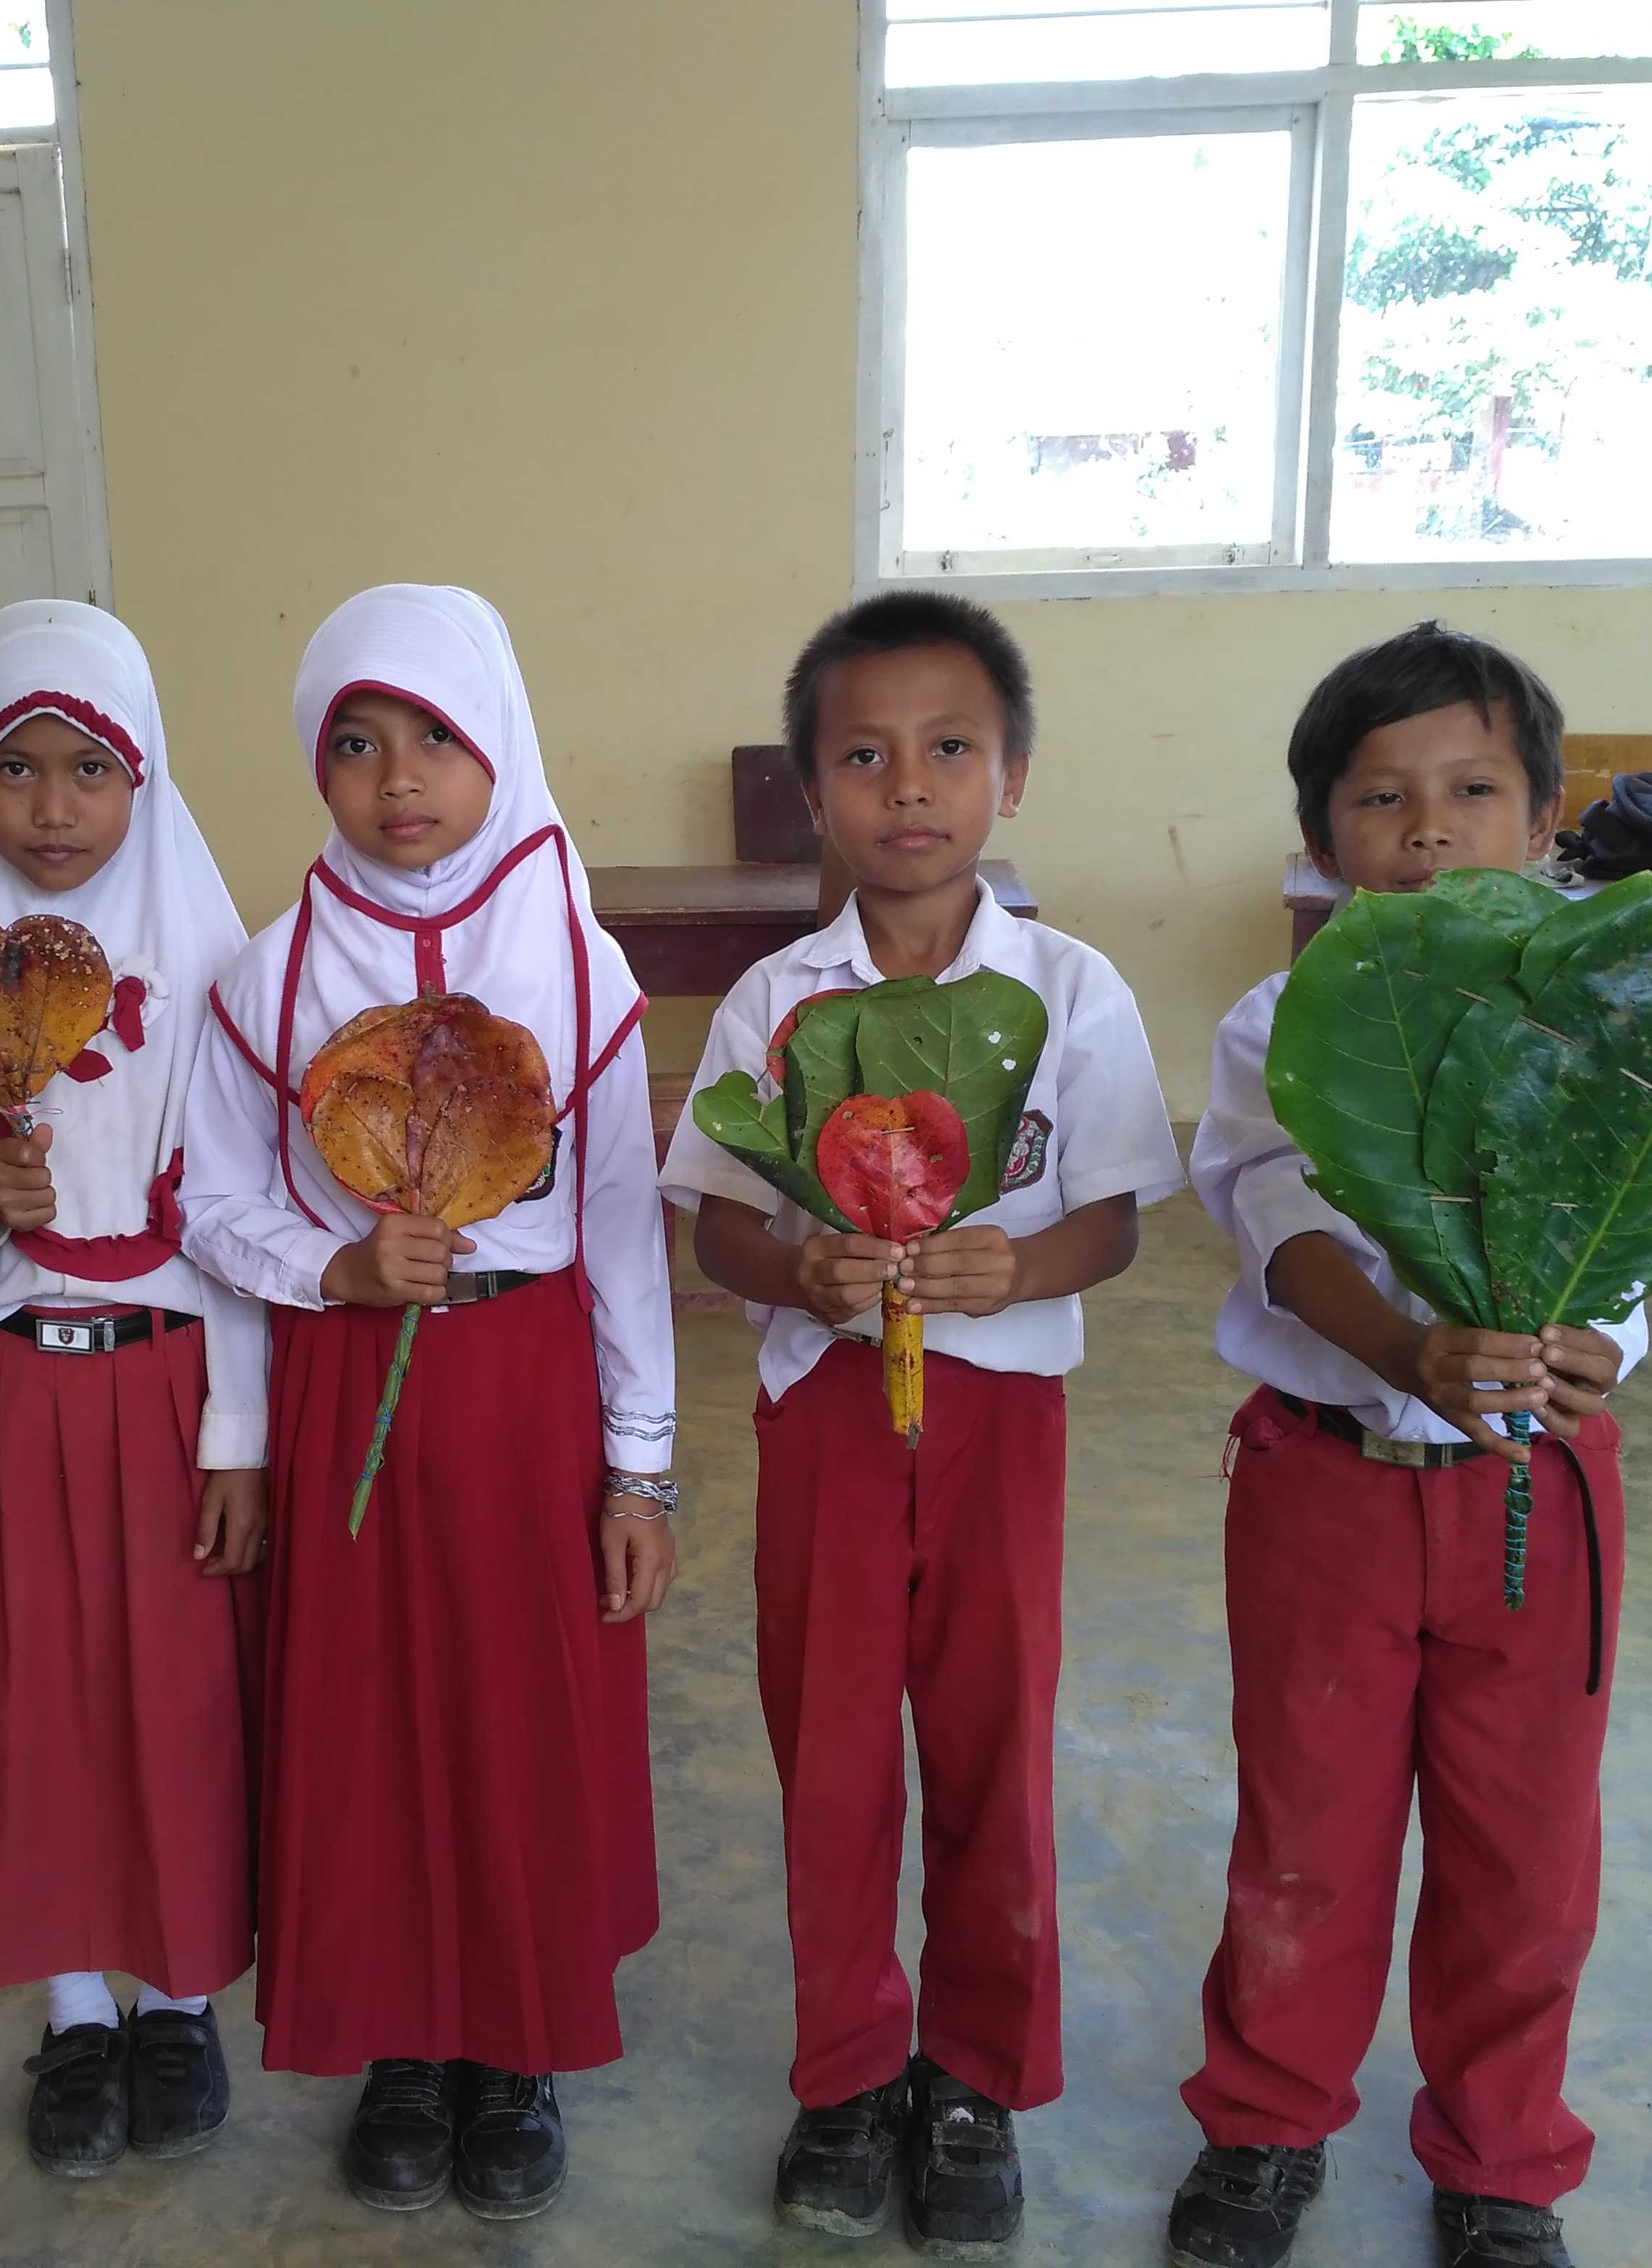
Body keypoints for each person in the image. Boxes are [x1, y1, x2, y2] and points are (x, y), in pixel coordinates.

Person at [662, 590, 1182, 2253]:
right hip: (826, 1423)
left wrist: (1013, 1262)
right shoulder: (775, 1004)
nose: (908, 787)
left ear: (1010, 776)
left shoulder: (1068, 988)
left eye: (948, 750)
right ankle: (843, 2071)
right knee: (828, 1757)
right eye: (863, 756)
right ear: (812, 793)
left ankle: (974, 2077)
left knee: (989, 1746)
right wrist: (797, 1266)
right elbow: (709, 1220)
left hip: (997, 1419)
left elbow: (1112, 1216)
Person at [179, 584, 675, 2224]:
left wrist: (640, 1467)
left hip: (521, 1386)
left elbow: (613, 1225)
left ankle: (511, 2045)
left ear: (500, 744)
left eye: (437, 739)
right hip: (353, 1387)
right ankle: (400, 2040)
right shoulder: (272, 976)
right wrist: (329, 1271)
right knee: (373, 1709)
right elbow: (208, 1202)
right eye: (354, 742)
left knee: (512, 1710)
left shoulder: (578, 961)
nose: (399, 778)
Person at [1166, 624, 1639, 2268]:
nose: (1426, 829)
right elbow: (1280, 1231)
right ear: (1320, 842)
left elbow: (1646, 1223)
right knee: (1307, 1831)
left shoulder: (1604, 1017)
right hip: (1326, 1480)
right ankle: (1264, 2122)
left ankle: (1503, 2161)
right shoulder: (1279, 1021)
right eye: (1378, 798)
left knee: (1526, 1850)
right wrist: (1411, 1354)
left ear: (1545, 818)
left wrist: (1589, 1342)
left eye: (1470, 789)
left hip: (1543, 1489)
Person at [0, 600, 267, 2179]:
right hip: (8, 1390)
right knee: (28, 1693)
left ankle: (177, 1997)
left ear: (141, 778)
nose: (52, 808)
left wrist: (238, 1433)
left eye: (89, 768)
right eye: (13, 769)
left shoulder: (218, 973)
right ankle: (76, 2011)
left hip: (164, 1391)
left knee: (170, 1699)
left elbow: (239, 1232)